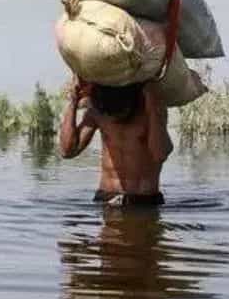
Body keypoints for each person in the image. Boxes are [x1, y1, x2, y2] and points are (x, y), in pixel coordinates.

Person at [59, 77, 173, 207]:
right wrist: (73, 101)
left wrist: (153, 107)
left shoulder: (150, 110)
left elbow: (160, 153)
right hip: (107, 198)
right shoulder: (98, 110)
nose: (114, 114)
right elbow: (67, 151)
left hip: (144, 202)